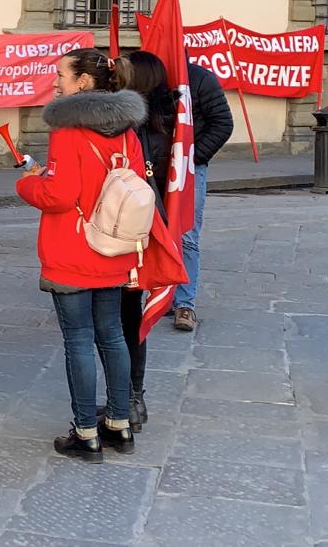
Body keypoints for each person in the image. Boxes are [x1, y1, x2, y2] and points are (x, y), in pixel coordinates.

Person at [16, 47, 145, 463]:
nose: (56, 82)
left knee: (78, 340)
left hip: (73, 247)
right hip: (114, 246)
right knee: (112, 335)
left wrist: (28, 185)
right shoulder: (127, 129)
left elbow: (59, 194)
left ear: (83, 83)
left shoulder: (68, 132)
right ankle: (120, 424)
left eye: (61, 75)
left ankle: (86, 431)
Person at [114, 50, 176, 432]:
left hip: (128, 233)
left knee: (117, 320)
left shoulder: (130, 126)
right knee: (129, 318)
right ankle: (133, 397)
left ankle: (127, 398)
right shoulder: (167, 124)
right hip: (149, 231)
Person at [172, 61, 233, 332]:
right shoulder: (151, 77)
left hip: (190, 167)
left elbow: (222, 123)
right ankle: (161, 296)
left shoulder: (201, 79)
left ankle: (184, 302)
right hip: (157, 168)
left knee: (187, 235)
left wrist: (195, 157)